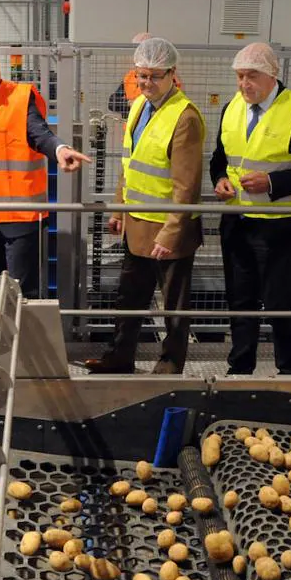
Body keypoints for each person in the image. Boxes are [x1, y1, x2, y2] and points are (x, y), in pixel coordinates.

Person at [212, 43, 291, 376]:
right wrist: (220, 179)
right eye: (239, 76)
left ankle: (289, 372)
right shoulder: (232, 109)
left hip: (282, 226)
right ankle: (240, 368)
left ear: (272, 76)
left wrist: (271, 183)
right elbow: (219, 160)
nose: (243, 84)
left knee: (278, 302)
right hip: (238, 221)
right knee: (240, 299)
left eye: (251, 76)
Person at [84, 37, 204, 375]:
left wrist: (170, 234)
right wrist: (120, 207)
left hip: (169, 230)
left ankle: (170, 363)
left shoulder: (185, 117)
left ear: (172, 74)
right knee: (130, 298)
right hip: (137, 225)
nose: (146, 83)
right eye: (141, 76)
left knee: (174, 306)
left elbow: (186, 185)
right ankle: (120, 357)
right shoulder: (138, 106)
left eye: (153, 76)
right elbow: (130, 163)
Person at [0, 31, 90, 298]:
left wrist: (59, 149)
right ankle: (1, 340)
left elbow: (39, 133)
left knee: (23, 295)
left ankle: (25, 341)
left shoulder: (21, 97)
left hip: (21, 220)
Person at [108, 32, 185, 113]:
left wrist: (140, 106)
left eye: (155, 77)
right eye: (143, 76)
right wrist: (131, 104)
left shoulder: (169, 77)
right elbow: (113, 103)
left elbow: (168, 105)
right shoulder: (130, 76)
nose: (148, 83)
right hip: (133, 124)